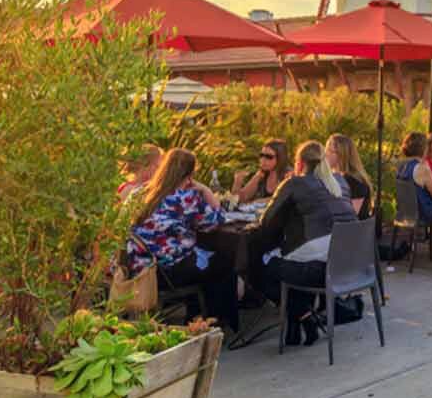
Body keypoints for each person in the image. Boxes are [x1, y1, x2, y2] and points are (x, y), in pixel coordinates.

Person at [250, 141, 357, 346]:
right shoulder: (340, 181)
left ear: (299, 163)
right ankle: (299, 322)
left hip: (320, 270)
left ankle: (303, 315)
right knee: (296, 257)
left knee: (259, 265)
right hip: (349, 266)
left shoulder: (295, 183)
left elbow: (266, 222)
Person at [127, 148, 238, 331]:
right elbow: (216, 221)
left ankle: (195, 314)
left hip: (141, 269)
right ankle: (218, 321)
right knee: (223, 263)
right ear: (190, 174)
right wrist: (206, 190)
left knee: (195, 257)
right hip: (166, 272)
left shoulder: (139, 193)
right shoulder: (186, 198)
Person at [396, 132, 432, 224]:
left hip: (404, 214)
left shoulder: (401, 166)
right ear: (424, 148)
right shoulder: (422, 168)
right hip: (424, 215)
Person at [326, 134, 373, 216]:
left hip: (352, 228)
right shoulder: (335, 178)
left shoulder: (356, 182)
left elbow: (351, 217)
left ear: (341, 155)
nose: (325, 155)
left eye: (330, 151)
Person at [234, 139, 291, 203]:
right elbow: (242, 198)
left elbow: (286, 198)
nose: (263, 160)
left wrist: (261, 201)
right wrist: (237, 182)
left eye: (269, 157)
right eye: (261, 155)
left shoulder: (289, 175)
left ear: (280, 158)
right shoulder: (261, 173)